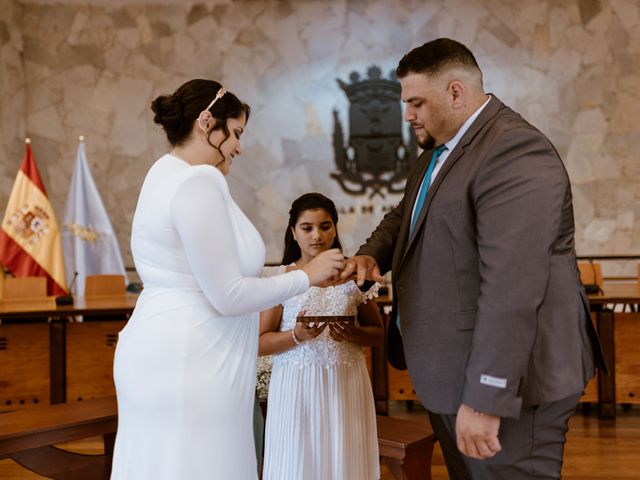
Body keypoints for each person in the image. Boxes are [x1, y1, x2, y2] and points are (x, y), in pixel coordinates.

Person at [341, 39, 606, 480]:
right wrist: (372, 254)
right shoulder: (437, 154)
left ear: (456, 92)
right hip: (452, 372)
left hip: (512, 384)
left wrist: (487, 397)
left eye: (416, 103)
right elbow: (406, 214)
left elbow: (513, 285)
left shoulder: (513, 151)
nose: (408, 116)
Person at [110, 79, 345, 479]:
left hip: (166, 345)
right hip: (192, 357)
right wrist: (306, 276)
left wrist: (291, 274)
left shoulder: (163, 171)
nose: (238, 145)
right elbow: (228, 294)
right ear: (207, 123)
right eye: (234, 133)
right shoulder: (199, 182)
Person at [259, 193, 383, 480]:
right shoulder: (281, 278)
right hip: (296, 385)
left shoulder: (355, 275)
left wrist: (353, 333)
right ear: (293, 232)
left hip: (345, 383)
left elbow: (377, 335)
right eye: (307, 228)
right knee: (297, 461)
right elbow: (261, 342)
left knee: (345, 459)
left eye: (325, 226)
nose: (317, 235)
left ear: (335, 228)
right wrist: (296, 336)